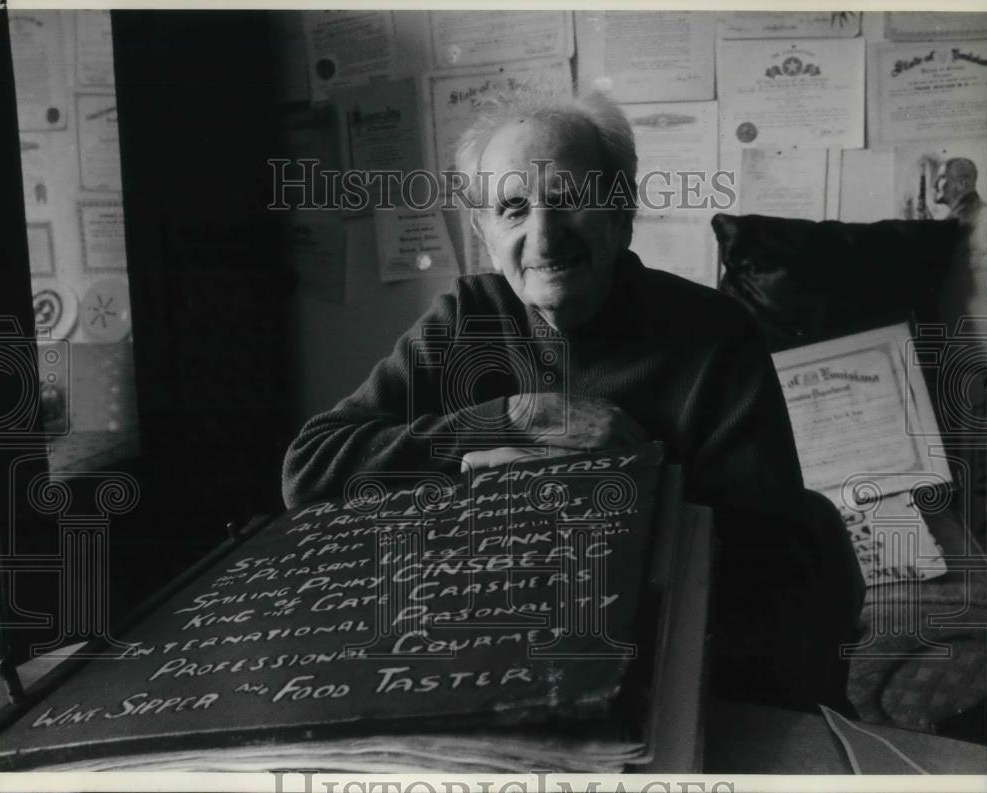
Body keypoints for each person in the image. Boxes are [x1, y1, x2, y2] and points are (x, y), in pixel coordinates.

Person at [282, 90, 862, 712]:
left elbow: (771, 565)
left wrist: (638, 482)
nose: (544, 235)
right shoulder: (465, 318)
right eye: (512, 208)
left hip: (665, 659)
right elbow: (310, 471)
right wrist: (504, 421)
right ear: (483, 231)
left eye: (568, 200)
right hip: (481, 653)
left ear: (621, 215)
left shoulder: (714, 335)